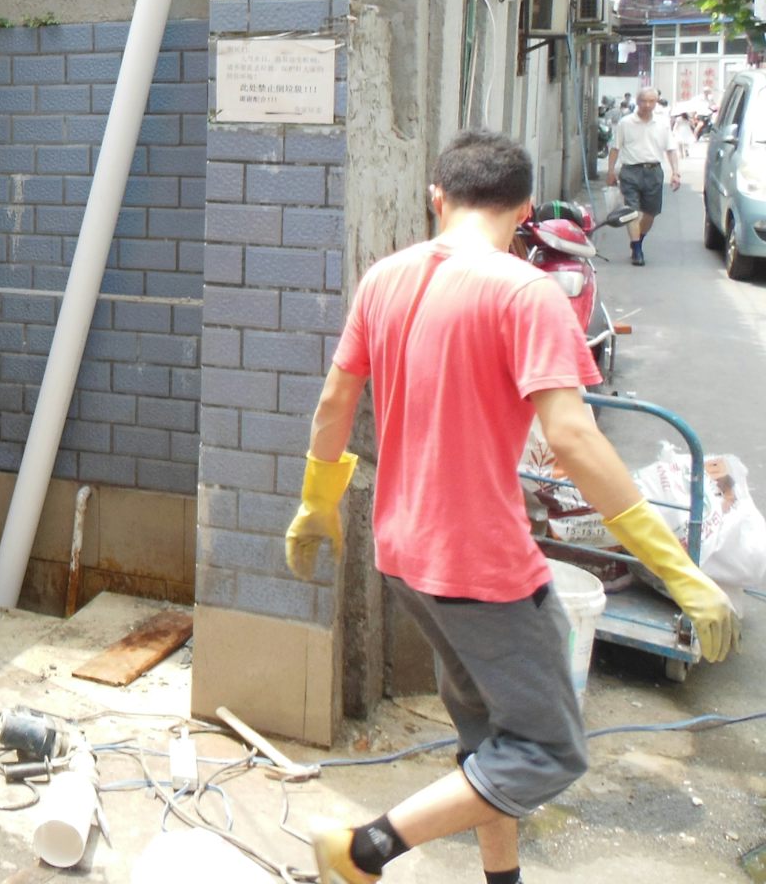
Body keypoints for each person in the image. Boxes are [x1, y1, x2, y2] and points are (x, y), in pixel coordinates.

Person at [284, 130, 736, 884]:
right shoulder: (527, 293)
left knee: (492, 738)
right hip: (485, 568)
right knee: (549, 750)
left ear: (438, 197)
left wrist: (316, 502)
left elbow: (335, 400)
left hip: (402, 553)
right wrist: (677, 569)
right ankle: (366, 850)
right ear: (525, 209)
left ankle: (503, 879)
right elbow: (575, 440)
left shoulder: (385, 279)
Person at [604, 86, 680, 265]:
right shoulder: (626, 123)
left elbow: (671, 149)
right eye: (643, 101)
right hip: (631, 171)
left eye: (651, 101)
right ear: (637, 102)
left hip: (654, 172)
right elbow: (615, 148)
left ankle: (638, 239)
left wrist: (676, 172)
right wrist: (611, 171)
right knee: (632, 211)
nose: (647, 105)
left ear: (656, 102)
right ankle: (637, 249)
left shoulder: (662, 123)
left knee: (650, 214)